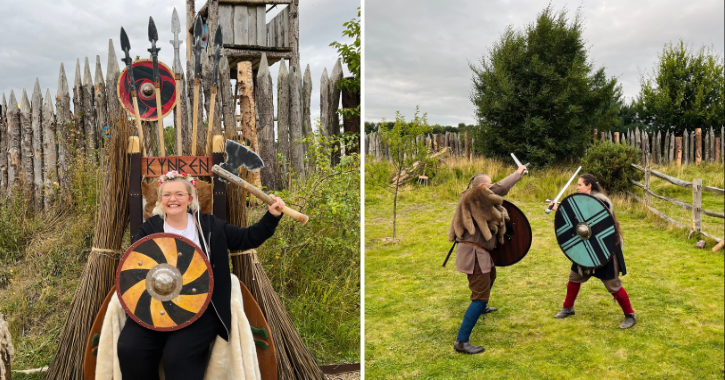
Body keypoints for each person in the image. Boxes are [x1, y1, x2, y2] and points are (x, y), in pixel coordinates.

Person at [117, 171, 285, 379]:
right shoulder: (150, 228)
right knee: (130, 348)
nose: (173, 199)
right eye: (167, 194)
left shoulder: (210, 226)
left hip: (201, 307)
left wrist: (272, 216)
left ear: (190, 198)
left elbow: (247, 238)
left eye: (179, 194)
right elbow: (135, 268)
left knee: (177, 358)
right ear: (160, 199)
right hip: (155, 305)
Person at [448, 165, 526, 354]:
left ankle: (480, 308)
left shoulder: (472, 199)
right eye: (488, 186)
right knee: (480, 297)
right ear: (482, 187)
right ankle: (461, 342)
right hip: (474, 254)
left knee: (491, 276)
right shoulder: (476, 195)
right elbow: (499, 188)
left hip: (480, 252)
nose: (491, 188)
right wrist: (517, 174)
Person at [550, 173, 636, 329]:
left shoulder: (602, 202)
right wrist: (560, 209)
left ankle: (630, 315)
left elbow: (593, 221)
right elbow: (575, 220)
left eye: (580, 185)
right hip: (585, 247)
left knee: (613, 285)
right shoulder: (582, 201)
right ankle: (568, 307)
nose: (577, 187)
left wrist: (564, 209)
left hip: (603, 249)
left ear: (589, 186)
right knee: (574, 277)